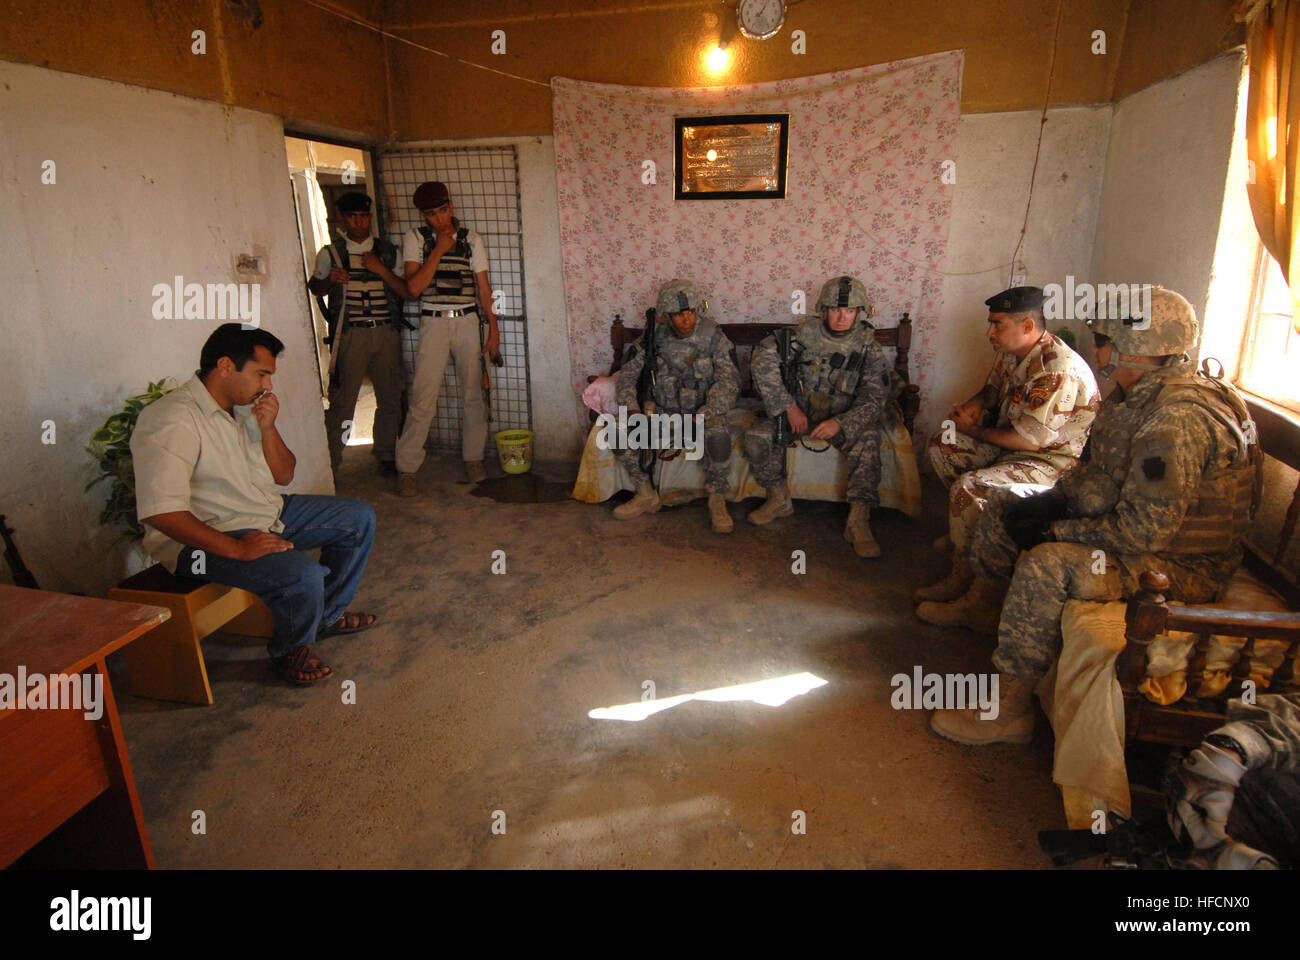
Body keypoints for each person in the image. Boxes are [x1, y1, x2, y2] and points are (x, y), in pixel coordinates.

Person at [928, 287, 1259, 745]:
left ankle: (1008, 709)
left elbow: (1146, 531)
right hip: (1129, 530)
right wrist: (1052, 501)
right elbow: (1097, 472)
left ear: (1131, 348)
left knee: (1046, 565)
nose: (1095, 348)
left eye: (1103, 339)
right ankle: (982, 604)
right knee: (1007, 503)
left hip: (1178, 566)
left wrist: (1057, 528)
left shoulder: (1174, 421)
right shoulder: (1138, 397)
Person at [131, 324, 378, 686]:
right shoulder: (171, 419)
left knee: (358, 518)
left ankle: (326, 616)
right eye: (262, 373)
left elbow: (284, 474)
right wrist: (237, 547)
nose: (268, 386)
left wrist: (268, 428)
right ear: (226, 366)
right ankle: (289, 651)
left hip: (266, 512)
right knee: (302, 575)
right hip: (206, 537)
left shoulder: (245, 409)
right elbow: (161, 512)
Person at [916, 285, 1099, 624]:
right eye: (991, 324)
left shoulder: (1056, 370)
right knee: (943, 443)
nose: (990, 333)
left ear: (1028, 326)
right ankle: (969, 533)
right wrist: (972, 407)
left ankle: (975, 592)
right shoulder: (1013, 351)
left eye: (997, 325)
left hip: (1049, 464)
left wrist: (977, 431)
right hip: (1011, 450)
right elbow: (992, 389)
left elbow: (1031, 441)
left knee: (969, 486)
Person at [746, 275, 893, 558]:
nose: (841, 317)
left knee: (869, 441)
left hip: (841, 417)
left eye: (849, 311)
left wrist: (841, 422)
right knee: (757, 437)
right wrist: (787, 406)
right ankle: (778, 500)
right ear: (823, 310)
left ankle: (858, 520)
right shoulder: (803, 335)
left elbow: (875, 398)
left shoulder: (867, 347)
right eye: (835, 310)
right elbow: (762, 359)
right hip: (796, 414)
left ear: (858, 312)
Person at [394, 181, 500, 494]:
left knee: (474, 395)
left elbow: (483, 289)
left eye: (443, 210)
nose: (439, 219)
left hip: (468, 320)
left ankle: (474, 458)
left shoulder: (471, 240)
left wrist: (493, 330)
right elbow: (414, 288)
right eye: (431, 214)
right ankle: (407, 468)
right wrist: (438, 250)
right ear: (422, 214)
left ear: (450, 206)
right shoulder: (415, 239)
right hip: (433, 323)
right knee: (423, 397)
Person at [612, 279, 741, 533]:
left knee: (718, 436)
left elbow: (729, 382)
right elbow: (626, 377)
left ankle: (717, 499)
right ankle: (646, 494)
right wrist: (634, 410)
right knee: (617, 432)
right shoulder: (652, 338)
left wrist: (704, 414)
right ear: (666, 316)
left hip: (703, 413)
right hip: (663, 413)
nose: (686, 319)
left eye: (691, 312)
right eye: (679, 314)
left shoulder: (712, 336)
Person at [306, 191, 412, 476]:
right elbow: (314, 288)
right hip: (350, 332)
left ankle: (386, 453)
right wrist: (330, 280)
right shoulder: (330, 253)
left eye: (364, 216)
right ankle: (332, 460)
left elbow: (406, 290)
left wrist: (380, 270)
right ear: (342, 218)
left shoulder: (389, 252)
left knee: (389, 395)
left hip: (385, 331)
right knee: (344, 400)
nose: (359, 222)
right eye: (352, 216)